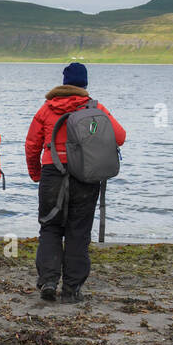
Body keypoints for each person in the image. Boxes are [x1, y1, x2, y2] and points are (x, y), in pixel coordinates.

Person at [25, 63, 126, 302]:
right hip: (85, 175)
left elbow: (31, 145)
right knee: (78, 232)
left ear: (64, 83)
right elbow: (120, 137)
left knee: (50, 227)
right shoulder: (95, 108)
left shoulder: (47, 109)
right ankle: (71, 290)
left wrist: (36, 173)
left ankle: (48, 281)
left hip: (52, 173)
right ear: (85, 84)